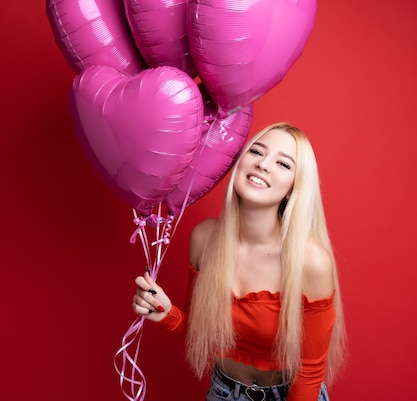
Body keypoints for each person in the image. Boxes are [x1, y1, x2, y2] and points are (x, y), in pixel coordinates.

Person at [132, 122, 346, 401]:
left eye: (283, 164)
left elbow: (309, 372)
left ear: (294, 188)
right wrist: (167, 314)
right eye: (257, 151)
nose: (263, 165)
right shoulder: (204, 238)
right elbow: (205, 333)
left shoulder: (310, 260)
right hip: (222, 392)